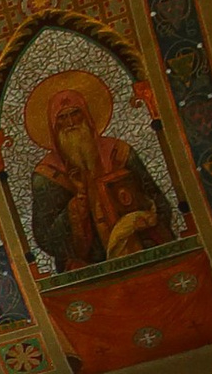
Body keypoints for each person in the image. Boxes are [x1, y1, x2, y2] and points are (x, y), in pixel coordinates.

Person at [25, 72, 171, 272]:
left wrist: (144, 217)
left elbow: (157, 199)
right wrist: (78, 205)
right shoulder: (47, 175)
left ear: (87, 116)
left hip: (139, 249)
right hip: (86, 268)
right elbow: (46, 238)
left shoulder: (119, 153)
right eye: (62, 118)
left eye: (75, 113)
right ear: (53, 126)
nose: (71, 123)